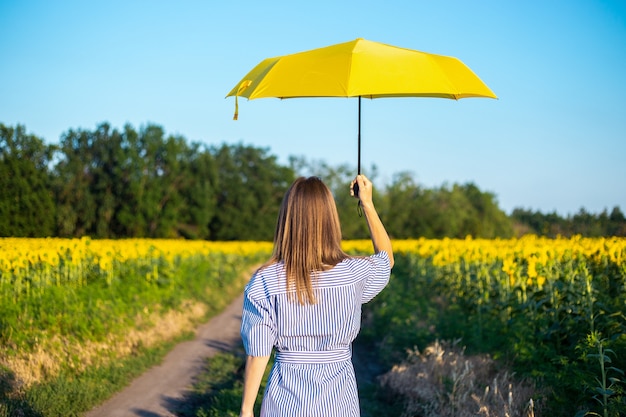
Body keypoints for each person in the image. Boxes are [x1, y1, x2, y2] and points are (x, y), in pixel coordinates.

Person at [239, 174, 394, 417]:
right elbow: (386, 260)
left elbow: (258, 353)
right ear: (330, 220)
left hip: (284, 403)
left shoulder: (265, 282)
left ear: (286, 221)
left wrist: (246, 410)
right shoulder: (353, 274)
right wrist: (367, 204)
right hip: (339, 404)